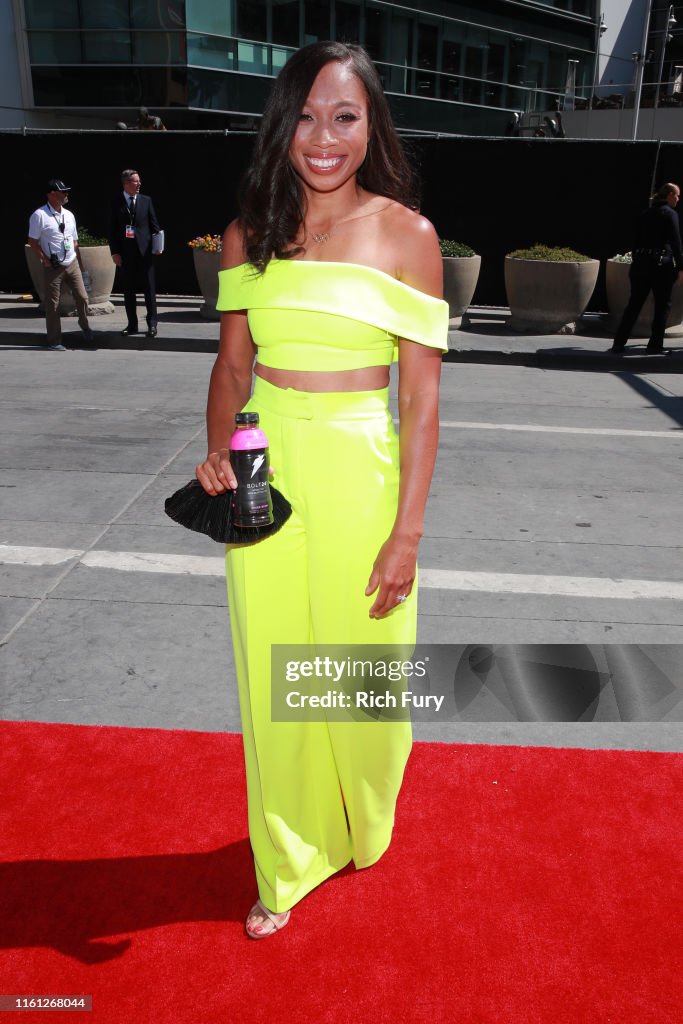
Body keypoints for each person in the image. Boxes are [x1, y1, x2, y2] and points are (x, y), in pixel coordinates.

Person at [195, 41, 448, 939]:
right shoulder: (247, 233)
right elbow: (231, 366)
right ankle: (289, 852)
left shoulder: (407, 236)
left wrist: (407, 530)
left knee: (360, 673)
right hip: (265, 463)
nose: (322, 136)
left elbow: (419, 396)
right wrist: (220, 452)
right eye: (304, 115)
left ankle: (361, 816)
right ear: (281, 123)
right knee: (275, 669)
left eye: (343, 115)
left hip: (357, 466)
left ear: (370, 124)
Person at [610, 182, 683, 355]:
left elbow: (636, 243)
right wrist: (681, 267)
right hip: (660, 265)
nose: (678, 199)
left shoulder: (645, 213)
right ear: (670, 195)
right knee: (662, 305)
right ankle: (655, 344)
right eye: (677, 195)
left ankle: (619, 342)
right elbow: (676, 242)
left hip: (641, 265)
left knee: (634, 304)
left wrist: (637, 263)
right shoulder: (670, 214)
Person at [26, 179, 95, 351]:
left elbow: (75, 242)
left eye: (66, 192)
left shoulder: (69, 215)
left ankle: (84, 325)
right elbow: (33, 241)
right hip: (53, 267)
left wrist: (79, 264)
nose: (66, 195)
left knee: (83, 297)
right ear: (51, 194)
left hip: (71, 263)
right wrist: (45, 260)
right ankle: (54, 341)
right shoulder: (39, 215)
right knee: (53, 304)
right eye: (62, 192)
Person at [108, 169, 162, 337]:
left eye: (139, 181)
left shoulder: (146, 201)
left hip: (145, 253)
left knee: (149, 290)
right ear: (126, 184)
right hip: (125, 254)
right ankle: (132, 325)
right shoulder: (116, 202)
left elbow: (155, 226)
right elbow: (112, 230)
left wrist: (158, 245)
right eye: (135, 181)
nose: (139, 184)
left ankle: (152, 324)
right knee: (129, 291)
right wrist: (115, 252)